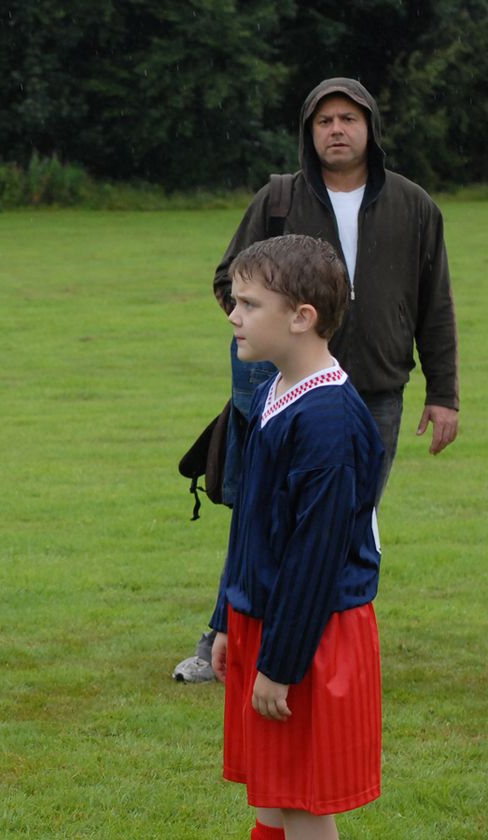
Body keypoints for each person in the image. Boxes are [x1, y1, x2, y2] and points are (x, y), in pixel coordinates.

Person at [174, 77, 458, 684]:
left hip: (375, 388)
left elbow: (437, 304)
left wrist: (444, 393)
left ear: (370, 129)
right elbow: (230, 276)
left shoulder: (414, 206)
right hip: (282, 385)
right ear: (309, 132)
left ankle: (319, 642)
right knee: (258, 512)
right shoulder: (279, 197)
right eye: (324, 120)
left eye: (348, 119)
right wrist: (283, 330)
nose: (336, 129)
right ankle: (224, 633)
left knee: (345, 519)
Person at [211, 235, 384, 840]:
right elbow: (250, 526)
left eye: (249, 303)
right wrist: (227, 619)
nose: (234, 315)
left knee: (305, 805)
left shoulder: (328, 423)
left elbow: (315, 560)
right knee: (272, 797)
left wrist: (280, 665)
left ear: (302, 318)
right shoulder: (272, 392)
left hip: (313, 633)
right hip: (267, 620)